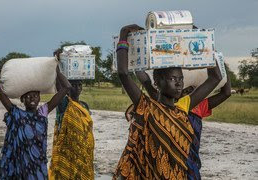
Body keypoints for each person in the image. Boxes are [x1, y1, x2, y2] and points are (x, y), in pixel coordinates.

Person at [113, 24, 222, 179]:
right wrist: (123, 35)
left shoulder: (182, 110)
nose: (178, 83)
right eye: (172, 79)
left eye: (181, 79)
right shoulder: (147, 107)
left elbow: (215, 78)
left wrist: (203, 41)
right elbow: (123, 73)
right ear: (157, 83)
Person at [135, 70, 231, 179]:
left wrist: (223, 68)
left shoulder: (199, 106)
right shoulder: (163, 105)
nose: (188, 92)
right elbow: (146, 82)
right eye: (186, 90)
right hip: (168, 161)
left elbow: (226, 93)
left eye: (191, 90)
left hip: (190, 162)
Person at [0, 63, 71, 179]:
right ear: (22, 99)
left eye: (35, 95)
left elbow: (67, 88)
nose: (32, 98)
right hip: (19, 168)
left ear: (39, 97)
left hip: (38, 167)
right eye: (28, 96)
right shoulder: (16, 114)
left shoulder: (43, 112)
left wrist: (56, 68)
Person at [48, 51, 94, 180]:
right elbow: (59, 87)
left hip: (83, 151)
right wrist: (56, 63)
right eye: (73, 85)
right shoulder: (64, 103)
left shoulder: (84, 106)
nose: (77, 88)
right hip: (67, 151)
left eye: (79, 85)